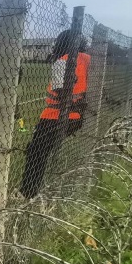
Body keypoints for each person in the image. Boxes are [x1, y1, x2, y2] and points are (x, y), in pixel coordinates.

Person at [19, 30, 91, 199]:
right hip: (76, 116)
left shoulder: (62, 61)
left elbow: (60, 91)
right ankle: (36, 187)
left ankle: (27, 192)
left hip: (55, 116)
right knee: (44, 149)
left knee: (36, 152)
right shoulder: (87, 60)